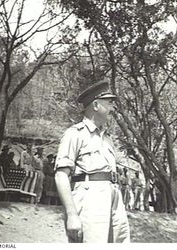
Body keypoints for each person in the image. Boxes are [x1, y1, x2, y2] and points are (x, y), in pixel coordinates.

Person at [54, 79, 130, 243]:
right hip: (90, 200)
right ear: (95, 105)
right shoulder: (75, 134)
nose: (113, 107)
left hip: (114, 198)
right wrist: (72, 215)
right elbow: (61, 176)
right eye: (109, 103)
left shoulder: (107, 138)